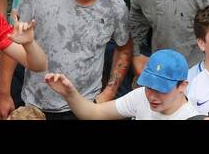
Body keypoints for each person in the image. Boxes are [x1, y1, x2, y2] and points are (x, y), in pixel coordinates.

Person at [12, 0, 131, 119]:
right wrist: (3, 92)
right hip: (33, 103)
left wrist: (108, 92)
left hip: (83, 107)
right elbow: (14, 41)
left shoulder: (115, 7)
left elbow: (124, 49)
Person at [44, 48, 201, 119]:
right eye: (149, 87)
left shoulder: (190, 116)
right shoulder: (141, 97)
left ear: (182, 86)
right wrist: (69, 94)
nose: (152, 96)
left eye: (161, 89)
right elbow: (93, 113)